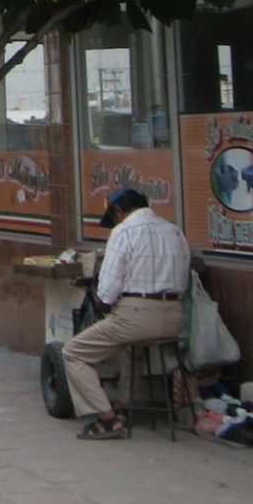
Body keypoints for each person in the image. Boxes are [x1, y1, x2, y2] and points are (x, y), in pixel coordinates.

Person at [61, 187, 192, 440]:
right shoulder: (174, 230)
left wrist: (100, 302)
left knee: (73, 353)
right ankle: (123, 405)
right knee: (130, 346)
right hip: (174, 317)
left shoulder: (124, 232)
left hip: (137, 316)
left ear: (118, 211)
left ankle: (106, 418)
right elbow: (183, 282)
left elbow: (107, 293)